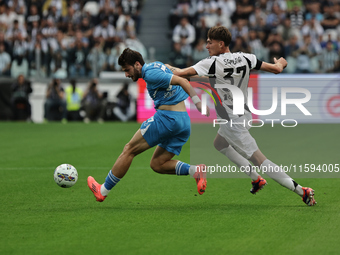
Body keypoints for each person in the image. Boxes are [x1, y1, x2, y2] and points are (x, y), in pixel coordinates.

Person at [166, 26, 316, 206]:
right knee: (219, 143)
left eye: (209, 42)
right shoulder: (246, 57)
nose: (206, 46)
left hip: (232, 121)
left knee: (260, 160)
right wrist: (281, 63)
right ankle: (256, 179)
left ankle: (302, 191)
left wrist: (164, 68)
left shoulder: (211, 63)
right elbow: (276, 69)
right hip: (245, 114)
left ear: (221, 44)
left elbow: (180, 74)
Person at [87, 48, 210, 202]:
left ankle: (102, 190)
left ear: (137, 64)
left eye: (127, 70)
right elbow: (182, 73)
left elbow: (182, 80)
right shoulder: (159, 65)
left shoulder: (150, 73)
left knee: (129, 150)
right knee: (157, 164)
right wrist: (208, 77)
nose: (126, 74)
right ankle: (195, 171)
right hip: (183, 122)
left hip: (168, 119)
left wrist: (198, 102)